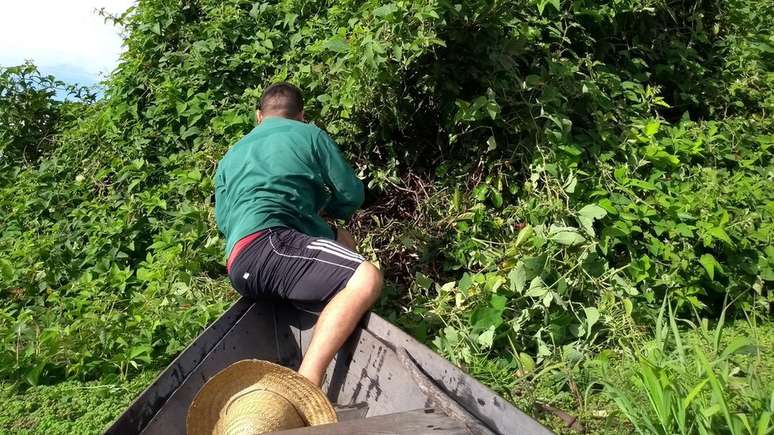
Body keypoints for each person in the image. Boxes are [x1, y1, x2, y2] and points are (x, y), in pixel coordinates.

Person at [214, 82, 383, 387]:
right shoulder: (310, 134)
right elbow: (351, 193)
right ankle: (308, 380)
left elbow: (225, 222)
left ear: (258, 116)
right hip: (273, 245)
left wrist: (318, 225)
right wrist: (329, 212)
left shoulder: (230, 156)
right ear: (301, 114)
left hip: (240, 263)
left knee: (334, 245)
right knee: (366, 276)